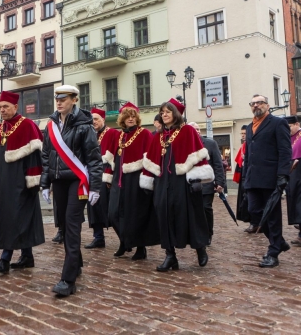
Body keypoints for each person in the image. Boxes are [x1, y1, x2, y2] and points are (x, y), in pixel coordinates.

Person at [41, 85, 102, 296]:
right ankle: (76, 263)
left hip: (78, 181)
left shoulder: (85, 126)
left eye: (64, 99)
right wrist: (44, 183)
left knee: (72, 225)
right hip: (58, 181)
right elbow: (46, 156)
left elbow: (94, 158)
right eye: (57, 98)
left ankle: (68, 280)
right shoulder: (50, 126)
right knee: (65, 225)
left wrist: (95, 186)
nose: (59, 102)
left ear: (74, 100)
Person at [140, 98, 214, 272]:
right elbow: (151, 160)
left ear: (176, 113)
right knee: (164, 216)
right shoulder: (158, 136)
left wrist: (196, 179)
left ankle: (200, 248)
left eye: (168, 111)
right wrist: (147, 180)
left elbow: (197, 154)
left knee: (189, 216)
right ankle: (170, 256)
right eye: (162, 112)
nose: (164, 115)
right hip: (162, 182)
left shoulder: (188, 131)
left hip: (183, 182)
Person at [0, 91, 45, 274]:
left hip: (22, 182)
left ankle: (5, 259)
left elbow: (35, 158)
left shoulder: (28, 125)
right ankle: (27, 256)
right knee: (11, 218)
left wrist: (33, 181)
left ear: (16, 107)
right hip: (5, 183)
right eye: (0, 107)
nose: (2, 110)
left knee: (18, 218)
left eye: (6, 106)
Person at [104, 102, 159, 260]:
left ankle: (140, 248)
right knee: (114, 213)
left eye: (133, 116)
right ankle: (124, 241)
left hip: (136, 179)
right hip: (118, 179)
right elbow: (112, 158)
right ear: (123, 118)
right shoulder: (119, 135)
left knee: (135, 214)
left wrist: (147, 179)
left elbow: (150, 158)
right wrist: (108, 175)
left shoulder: (145, 134)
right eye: (128, 116)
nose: (131, 119)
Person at [243, 94, 292, 268]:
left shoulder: (278, 123)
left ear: (267, 105)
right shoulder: (250, 127)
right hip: (252, 178)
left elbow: (285, 151)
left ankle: (273, 252)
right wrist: (245, 176)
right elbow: (248, 154)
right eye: (253, 103)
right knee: (254, 211)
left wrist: (282, 175)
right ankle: (278, 241)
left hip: (271, 177)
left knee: (272, 216)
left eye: (259, 102)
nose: (256, 105)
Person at [84, 107, 119, 249]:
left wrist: (110, 176)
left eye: (97, 119)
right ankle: (98, 238)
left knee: (111, 210)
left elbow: (116, 156)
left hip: (106, 176)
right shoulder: (90, 134)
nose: (94, 122)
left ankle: (123, 239)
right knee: (93, 207)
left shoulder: (113, 133)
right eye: (92, 120)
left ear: (103, 119)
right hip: (92, 176)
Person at [189, 122, 225, 245]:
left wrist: (220, 182)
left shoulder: (210, 144)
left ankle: (208, 233)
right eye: (194, 129)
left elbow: (218, 164)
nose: (197, 131)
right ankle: (195, 234)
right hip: (189, 185)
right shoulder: (185, 145)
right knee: (193, 211)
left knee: (205, 208)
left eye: (198, 129)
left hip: (207, 184)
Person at [285, 116, 301, 246]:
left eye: (289, 127)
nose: (288, 130)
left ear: (296, 124)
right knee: (295, 201)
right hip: (292, 175)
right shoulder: (287, 138)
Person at [234, 125, 253, 229]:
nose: (243, 136)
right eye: (241, 134)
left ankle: (254, 222)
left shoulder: (252, 144)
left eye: (244, 133)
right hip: (244, 176)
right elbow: (239, 163)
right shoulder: (243, 145)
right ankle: (250, 220)